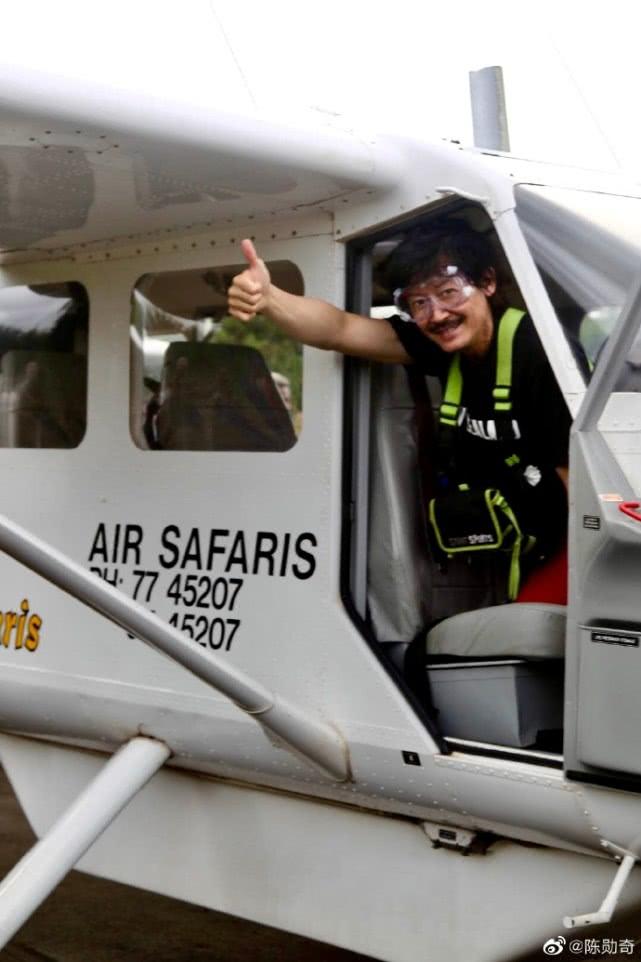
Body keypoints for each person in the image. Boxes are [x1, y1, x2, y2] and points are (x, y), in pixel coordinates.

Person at [227, 223, 578, 605]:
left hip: (567, 542)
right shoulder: (443, 347)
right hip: (508, 547)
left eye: (448, 292)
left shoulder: (541, 356)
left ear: (487, 283)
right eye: (418, 302)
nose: (437, 314)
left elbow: (579, 486)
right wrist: (270, 297)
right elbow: (340, 329)